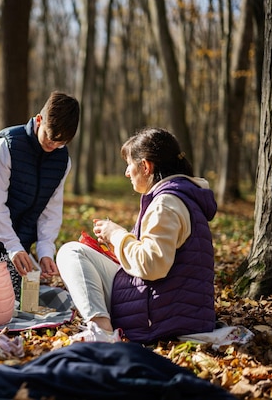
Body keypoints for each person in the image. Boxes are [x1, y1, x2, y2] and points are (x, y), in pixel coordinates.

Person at [56, 127, 217, 343]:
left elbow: (152, 265)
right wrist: (115, 244)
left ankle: (102, 332)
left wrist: (117, 235)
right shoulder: (181, 197)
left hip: (160, 317)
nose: (126, 172)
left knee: (70, 252)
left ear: (146, 166)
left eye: (129, 165)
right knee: (79, 252)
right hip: (175, 310)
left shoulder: (166, 204)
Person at [0, 91, 80, 301]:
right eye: (49, 137)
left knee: (27, 298)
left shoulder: (62, 160)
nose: (53, 146)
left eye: (61, 143)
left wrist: (46, 251)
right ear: (39, 120)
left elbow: (51, 210)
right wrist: (12, 247)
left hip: (18, 240)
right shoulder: (7, 146)